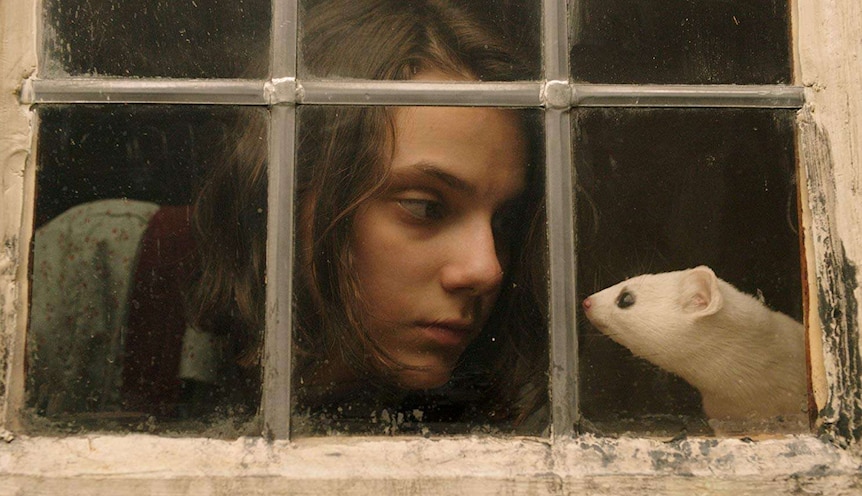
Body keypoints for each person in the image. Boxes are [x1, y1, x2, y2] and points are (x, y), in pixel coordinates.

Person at [27, 0, 549, 434]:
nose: (486, 270)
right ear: (289, 186)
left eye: (502, 221)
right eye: (424, 207)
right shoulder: (106, 265)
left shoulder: (515, 405)